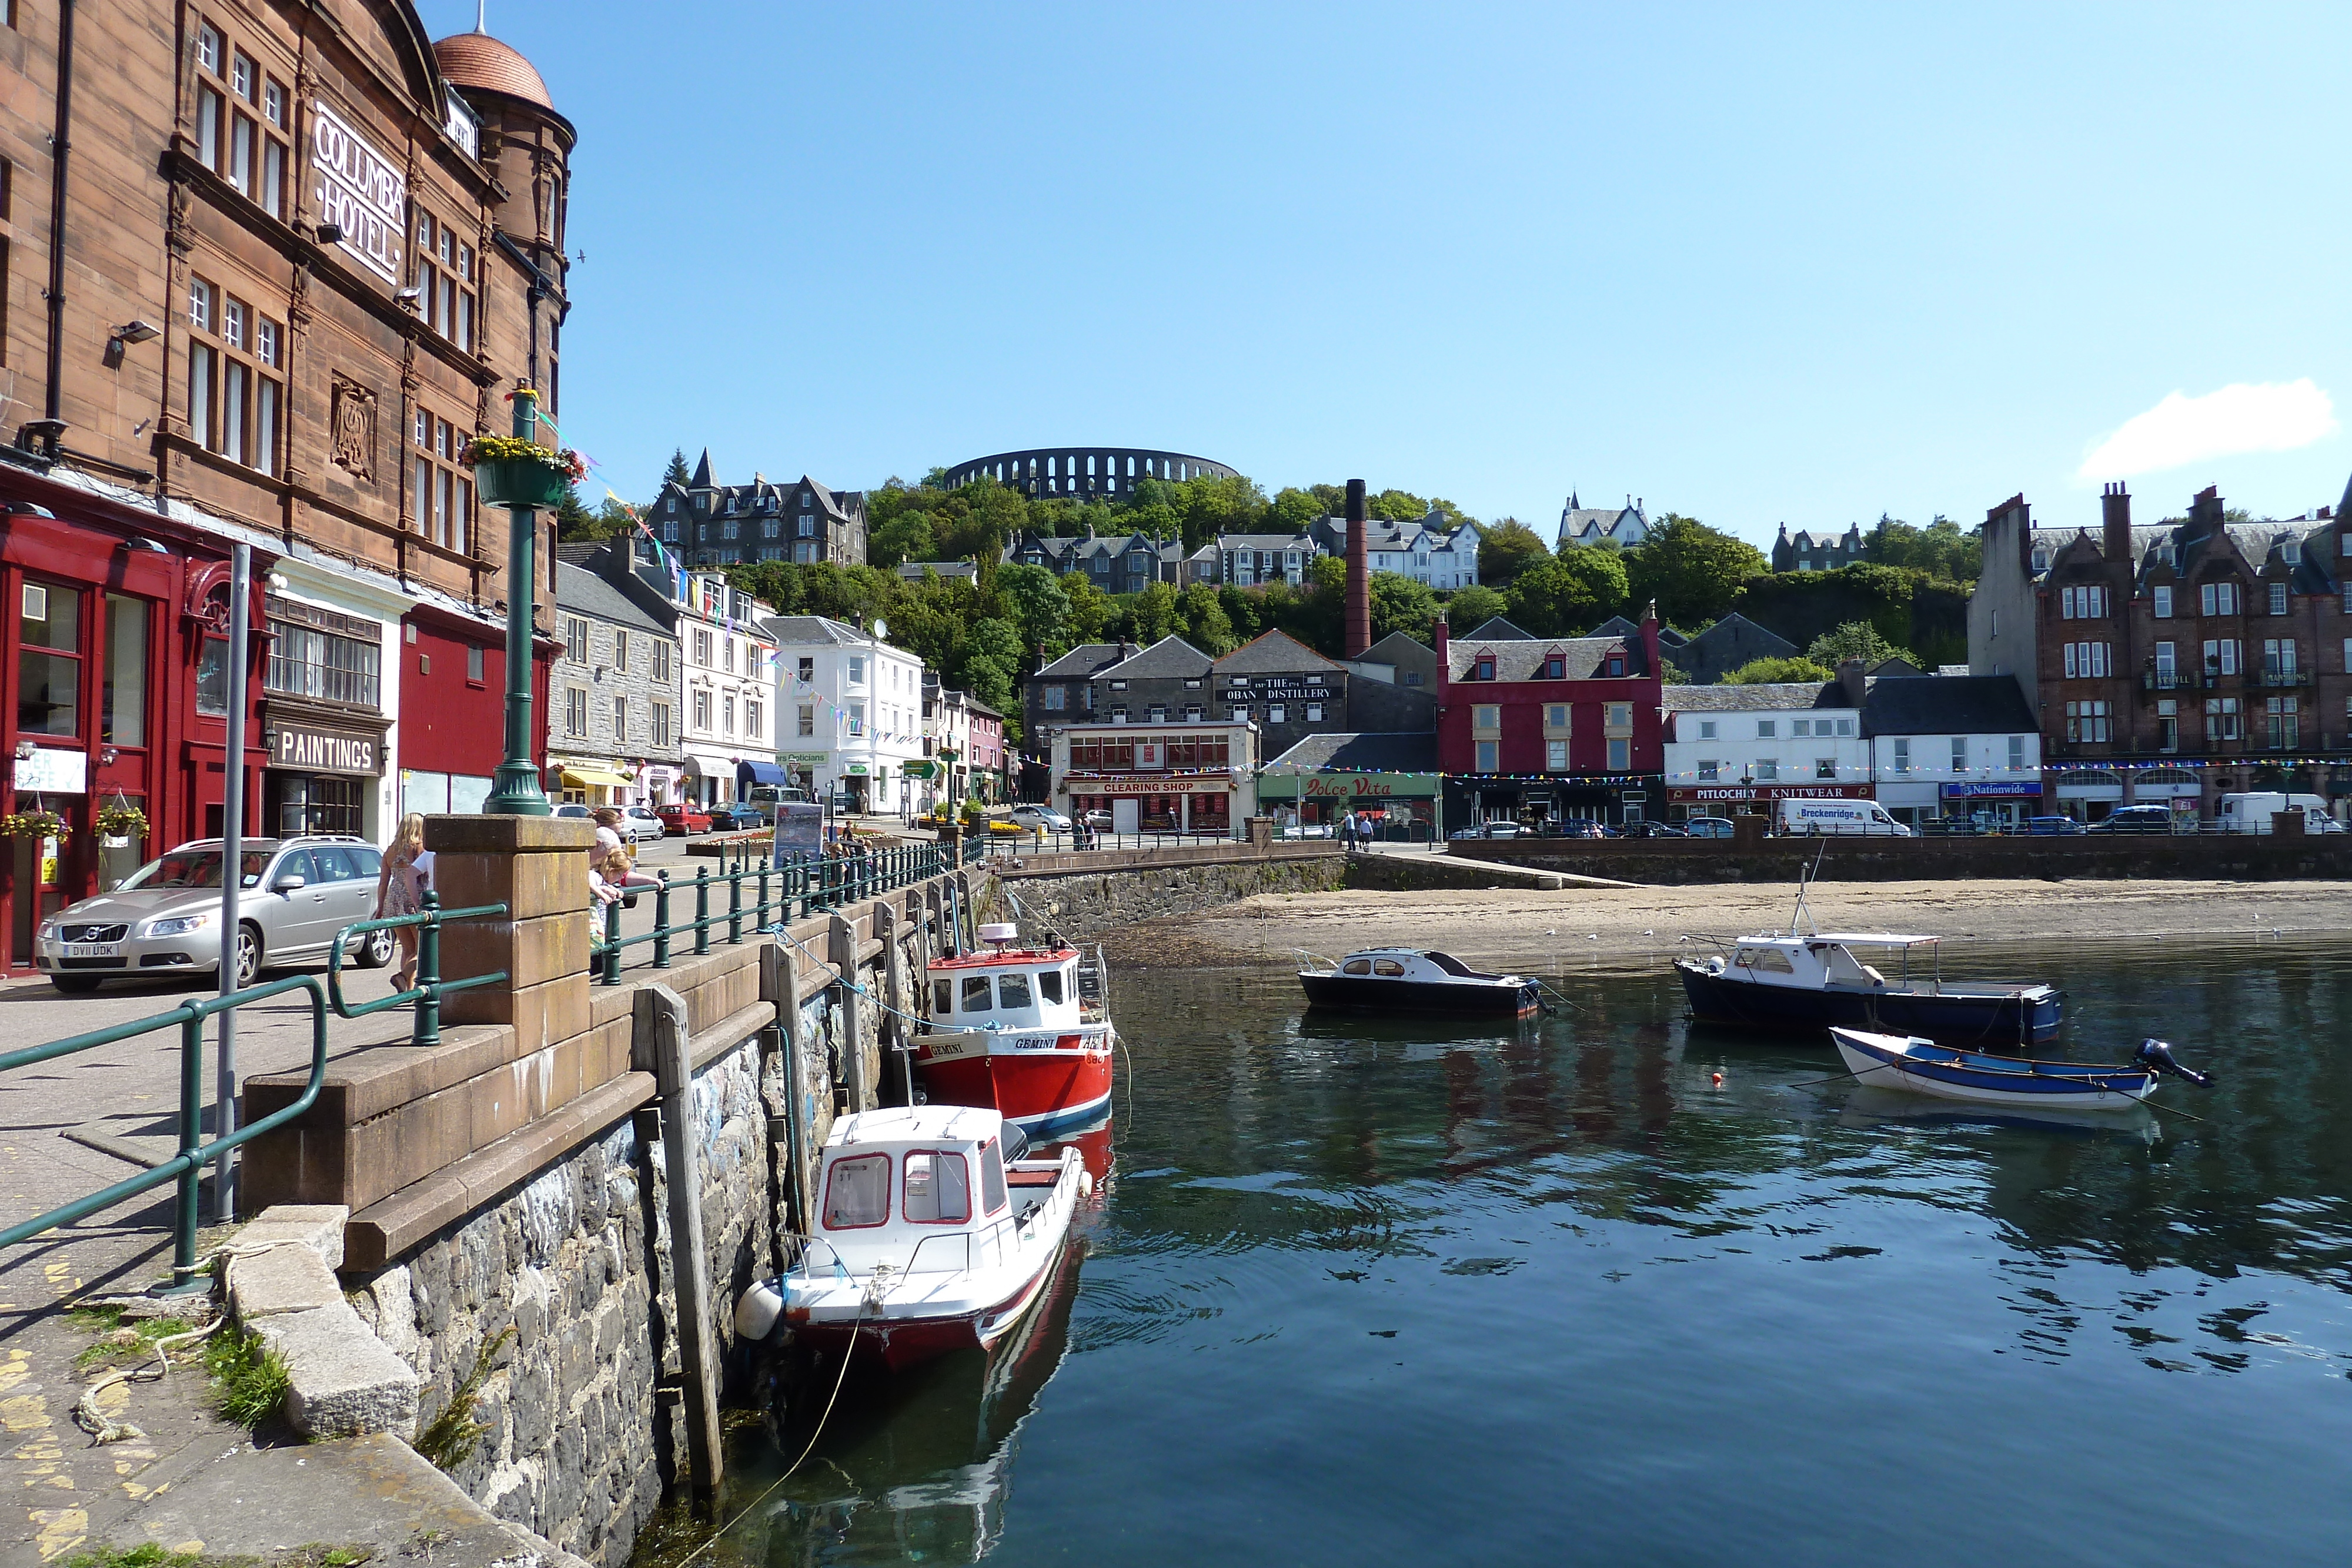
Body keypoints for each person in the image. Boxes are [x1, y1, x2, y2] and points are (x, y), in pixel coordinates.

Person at [376, 812, 427, 989]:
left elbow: (383, 882)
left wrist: (381, 907)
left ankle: (407, 990)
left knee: (407, 948)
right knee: (422, 949)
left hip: (394, 898)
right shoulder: (419, 848)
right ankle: (404, 977)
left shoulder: (390, 850)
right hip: (414, 897)